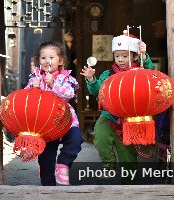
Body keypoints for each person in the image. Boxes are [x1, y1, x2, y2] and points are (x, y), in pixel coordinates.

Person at [80, 31, 154, 171]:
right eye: (117, 55)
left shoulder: (141, 71)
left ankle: (129, 184)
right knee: (100, 135)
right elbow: (98, 91)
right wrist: (91, 79)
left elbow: (152, 75)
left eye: (125, 56)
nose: (120, 59)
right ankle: (108, 164)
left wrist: (145, 56)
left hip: (132, 119)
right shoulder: (108, 74)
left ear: (135, 56)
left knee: (127, 155)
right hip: (111, 115)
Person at [25, 41, 83, 186]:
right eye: (43, 58)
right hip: (45, 123)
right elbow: (24, 97)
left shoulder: (65, 78)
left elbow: (69, 94)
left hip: (65, 121)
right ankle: (47, 184)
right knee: (46, 156)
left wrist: (53, 84)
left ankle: (63, 165)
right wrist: (33, 88)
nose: (47, 61)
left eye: (51, 58)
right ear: (39, 61)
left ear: (60, 61)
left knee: (76, 139)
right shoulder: (35, 77)